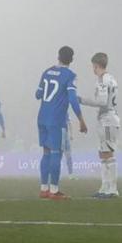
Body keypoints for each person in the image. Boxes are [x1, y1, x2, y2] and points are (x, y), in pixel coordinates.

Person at [35, 45, 89, 200]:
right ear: (71, 60)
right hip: (56, 119)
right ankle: (54, 190)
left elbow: (37, 94)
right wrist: (81, 120)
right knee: (56, 153)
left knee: (46, 152)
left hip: (42, 117)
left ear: (58, 56)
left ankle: (44, 188)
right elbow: (72, 98)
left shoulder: (46, 72)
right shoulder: (70, 75)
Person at [78, 52, 120, 198]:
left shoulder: (103, 79)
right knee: (102, 152)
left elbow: (102, 101)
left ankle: (112, 188)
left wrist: (82, 100)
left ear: (96, 65)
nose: (92, 69)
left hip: (108, 118)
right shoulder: (111, 78)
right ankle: (104, 186)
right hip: (106, 117)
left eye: (93, 66)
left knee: (108, 152)